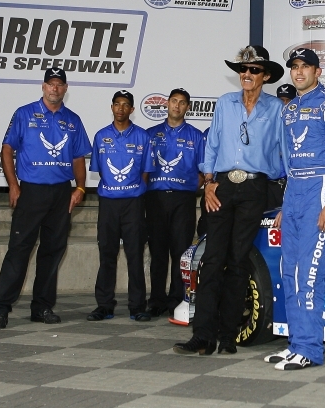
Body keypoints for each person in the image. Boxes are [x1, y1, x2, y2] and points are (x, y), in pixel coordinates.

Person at [173, 45, 285, 355]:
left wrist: (287, 190)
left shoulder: (276, 109)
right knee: (212, 261)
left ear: (265, 76)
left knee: (238, 262)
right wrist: (208, 182)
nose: (246, 74)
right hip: (220, 188)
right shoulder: (224, 103)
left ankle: (228, 336)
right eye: (243, 70)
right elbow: (212, 146)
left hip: (255, 189)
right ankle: (203, 335)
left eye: (254, 70)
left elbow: (285, 154)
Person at [266, 48, 325, 370]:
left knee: (309, 274)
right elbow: (289, 163)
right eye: (295, 67)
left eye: (305, 67)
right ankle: (295, 344)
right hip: (293, 194)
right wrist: (285, 202)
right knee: (289, 272)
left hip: (318, 191)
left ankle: (310, 349)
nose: (298, 72)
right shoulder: (290, 111)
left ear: (318, 71)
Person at [0, 68, 91, 329]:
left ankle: (42, 307)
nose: (54, 89)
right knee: (19, 250)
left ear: (65, 89)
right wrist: (13, 185)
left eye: (59, 84)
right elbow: (7, 148)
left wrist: (80, 188)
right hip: (31, 191)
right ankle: (1, 308)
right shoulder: (24, 113)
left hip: (60, 193)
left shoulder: (73, 120)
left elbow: (79, 157)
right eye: (50, 84)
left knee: (52, 252)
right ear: (43, 87)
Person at [87, 90, 155, 322]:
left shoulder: (143, 137)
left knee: (134, 254)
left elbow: (146, 171)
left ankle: (137, 306)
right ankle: (104, 306)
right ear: (112, 107)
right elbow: (98, 169)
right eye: (117, 104)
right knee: (107, 253)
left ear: (132, 110)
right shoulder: (100, 136)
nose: (121, 108)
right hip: (108, 203)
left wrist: (134, 191)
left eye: (126, 105)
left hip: (133, 203)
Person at [144, 88, 204, 317]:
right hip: (156, 198)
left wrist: (190, 188)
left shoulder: (196, 136)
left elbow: (204, 170)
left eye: (182, 103)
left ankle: (178, 299)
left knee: (181, 251)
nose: (177, 106)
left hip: (183, 200)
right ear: (167, 104)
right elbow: (143, 169)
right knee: (158, 251)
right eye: (173, 101)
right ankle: (156, 300)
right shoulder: (150, 134)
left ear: (187, 107)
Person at [267, 84, 295, 209]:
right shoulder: (268, 123)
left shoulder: (300, 124)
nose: (284, 104)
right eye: (281, 100)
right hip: (269, 184)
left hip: (291, 183)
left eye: (288, 100)